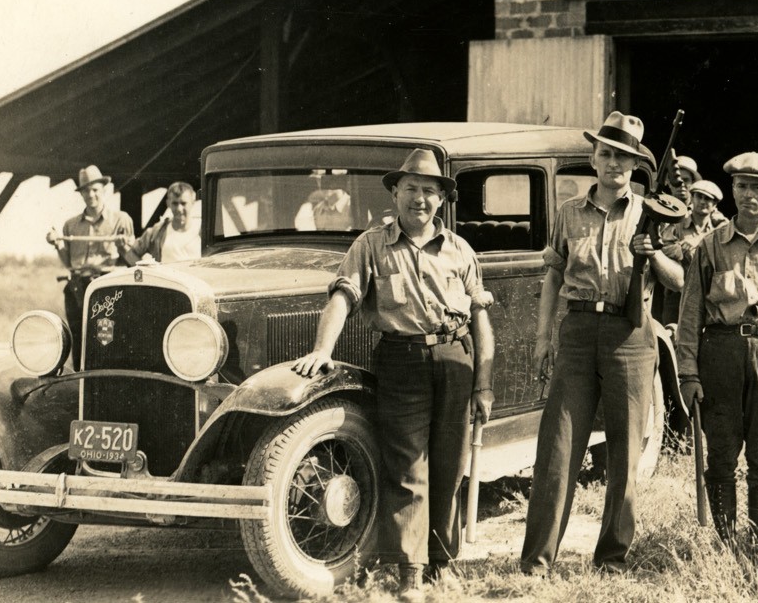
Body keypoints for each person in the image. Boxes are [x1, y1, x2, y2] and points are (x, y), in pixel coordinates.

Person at [289, 149, 493, 602]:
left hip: (456, 358)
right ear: (396, 193)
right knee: (406, 467)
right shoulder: (370, 245)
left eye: (429, 191)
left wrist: (483, 383)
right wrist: (323, 349)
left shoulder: (460, 250)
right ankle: (410, 574)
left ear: (442, 199)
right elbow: (343, 298)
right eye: (412, 189)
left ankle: (443, 564)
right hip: (401, 362)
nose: (420, 199)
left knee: (450, 465)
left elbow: (480, 319)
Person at [520, 112, 684, 575]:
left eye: (623, 157)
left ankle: (612, 556)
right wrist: (542, 337)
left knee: (625, 450)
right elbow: (554, 275)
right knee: (557, 446)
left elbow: (677, 279)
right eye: (606, 153)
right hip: (576, 330)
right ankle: (536, 560)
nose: (613, 163)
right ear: (593, 157)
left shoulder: (651, 213)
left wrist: (653, 255)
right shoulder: (570, 213)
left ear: (635, 165)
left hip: (631, 334)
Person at [677, 152, 758, 545]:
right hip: (720, 351)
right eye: (742, 186)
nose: (749, 194)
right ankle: (725, 541)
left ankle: (757, 540)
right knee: (720, 450)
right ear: (732, 191)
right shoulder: (710, 246)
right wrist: (688, 372)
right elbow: (690, 314)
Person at [46, 165, 134, 363]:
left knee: (105, 338)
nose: (91, 194)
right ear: (81, 194)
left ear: (104, 190)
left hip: (106, 288)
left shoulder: (121, 220)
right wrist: (57, 243)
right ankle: (80, 385)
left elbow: (132, 260)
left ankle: (105, 384)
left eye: (95, 189)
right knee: (78, 337)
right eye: (86, 190)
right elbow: (68, 262)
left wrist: (124, 248)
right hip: (77, 287)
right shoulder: (71, 225)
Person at [655, 179, 727, 325]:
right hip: (678, 293)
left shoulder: (719, 229)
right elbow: (661, 247)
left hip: (709, 295)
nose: (702, 201)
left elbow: (725, 258)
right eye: (698, 196)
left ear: (714, 206)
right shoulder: (678, 222)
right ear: (692, 198)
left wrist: (698, 250)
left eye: (708, 199)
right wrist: (680, 249)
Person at [122, 181, 201, 264]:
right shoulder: (158, 231)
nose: (179, 208)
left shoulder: (202, 229)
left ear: (193, 202)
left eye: (183, 203)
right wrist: (148, 271)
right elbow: (130, 254)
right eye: (175, 203)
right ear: (168, 204)